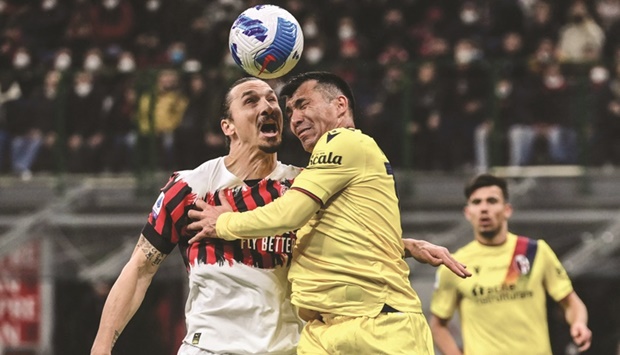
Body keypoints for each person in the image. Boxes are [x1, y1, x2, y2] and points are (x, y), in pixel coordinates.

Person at [91, 76, 467, 355]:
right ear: (228, 126)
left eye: (274, 101)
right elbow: (139, 270)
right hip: (210, 347)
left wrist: (399, 244)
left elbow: (342, 238)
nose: (269, 107)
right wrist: (101, 348)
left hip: (287, 348)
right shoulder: (190, 188)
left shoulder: (302, 185)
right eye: (251, 101)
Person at [429, 173, 592, 355]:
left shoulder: (534, 251)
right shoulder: (455, 263)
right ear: (468, 213)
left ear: (507, 209)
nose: (484, 208)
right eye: (476, 202)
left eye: (492, 201)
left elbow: (571, 303)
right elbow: (438, 325)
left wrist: (579, 323)